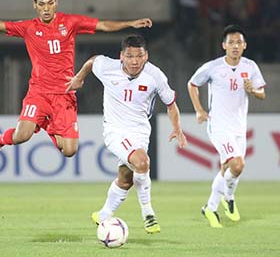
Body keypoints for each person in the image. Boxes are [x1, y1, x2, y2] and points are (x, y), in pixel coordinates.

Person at [0, 0, 153, 163]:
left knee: (70, 150)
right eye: (41, 4)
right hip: (38, 92)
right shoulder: (28, 27)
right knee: (22, 135)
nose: (46, 9)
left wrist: (130, 23)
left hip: (65, 94)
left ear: (56, 2)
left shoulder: (70, 22)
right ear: (34, 5)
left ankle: (48, 125)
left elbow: (102, 25)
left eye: (49, 3)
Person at [66, 35, 187, 233]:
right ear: (121, 56)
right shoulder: (108, 67)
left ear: (146, 56)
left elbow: (171, 105)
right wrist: (79, 78)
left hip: (140, 131)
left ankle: (103, 215)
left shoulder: (155, 76)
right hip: (115, 130)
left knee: (126, 178)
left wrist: (177, 128)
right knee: (142, 162)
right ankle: (148, 214)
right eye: (130, 56)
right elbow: (92, 61)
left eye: (139, 56)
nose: (134, 61)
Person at [187, 24, 266, 228]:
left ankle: (220, 201)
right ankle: (216, 204)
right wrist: (199, 110)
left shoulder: (250, 67)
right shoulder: (213, 67)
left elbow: (262, 94)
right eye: (231, 42)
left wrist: (253, 91)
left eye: (239, 42)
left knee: (229, 168)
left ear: (245, 45)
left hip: (239, 126)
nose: (235, 46)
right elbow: (192, 84)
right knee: (237, 164)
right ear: (224, 45)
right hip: (219, 126)